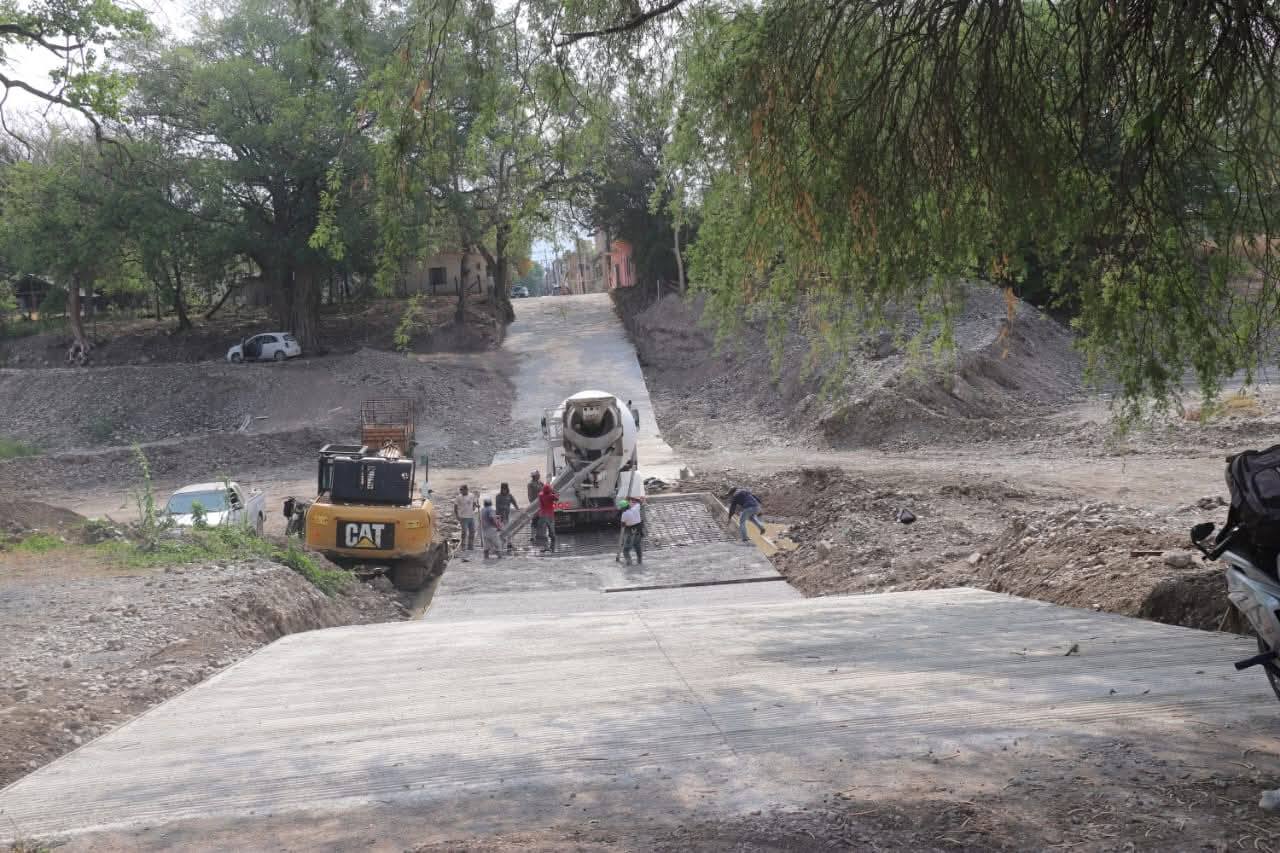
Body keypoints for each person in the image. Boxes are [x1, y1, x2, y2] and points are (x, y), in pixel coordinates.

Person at [619, 499, 644, 565]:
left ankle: (629, 562)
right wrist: (634, 499)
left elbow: (623, 525)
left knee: (626, 550)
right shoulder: (635, 508)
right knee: (637, 546)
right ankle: (639, 561)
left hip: (631, 533)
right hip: (639, 530)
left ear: (622, 508)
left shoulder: (624, 514)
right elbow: (640, 502)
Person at [536, 481, 559, 553]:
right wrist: (554, 491)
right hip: (550, 515)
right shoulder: (551, 496)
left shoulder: (540, 495)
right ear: (549, 490)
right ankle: (552, 547)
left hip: (543, 515)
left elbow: (541, 494)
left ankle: (545, 547)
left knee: (543, 532)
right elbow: (557, 498)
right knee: (551, 531)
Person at [454, 484, 478, 550]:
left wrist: (475, 506)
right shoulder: (458, 497)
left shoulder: (471, 495)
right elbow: (455, 507)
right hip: (463, 518)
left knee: (472, 532)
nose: (461, 491)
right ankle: (463, 546)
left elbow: (474, 503)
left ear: (466, 490)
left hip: (471, 517)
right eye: (460, 490)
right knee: (464, 532)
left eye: (462, 490)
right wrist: (457, 516)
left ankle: (470, 546)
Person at [527, 470, 544, 544]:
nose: (538, 476)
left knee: (541, 520)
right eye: (537, 475)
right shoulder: (530, 484)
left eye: (538, 475)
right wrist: (532, 504)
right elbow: (530, 496)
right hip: (535, 505)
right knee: (535, 520)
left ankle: (539, 534)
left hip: (542, 504)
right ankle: (532, 536)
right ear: (534, 476)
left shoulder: (541, 483)